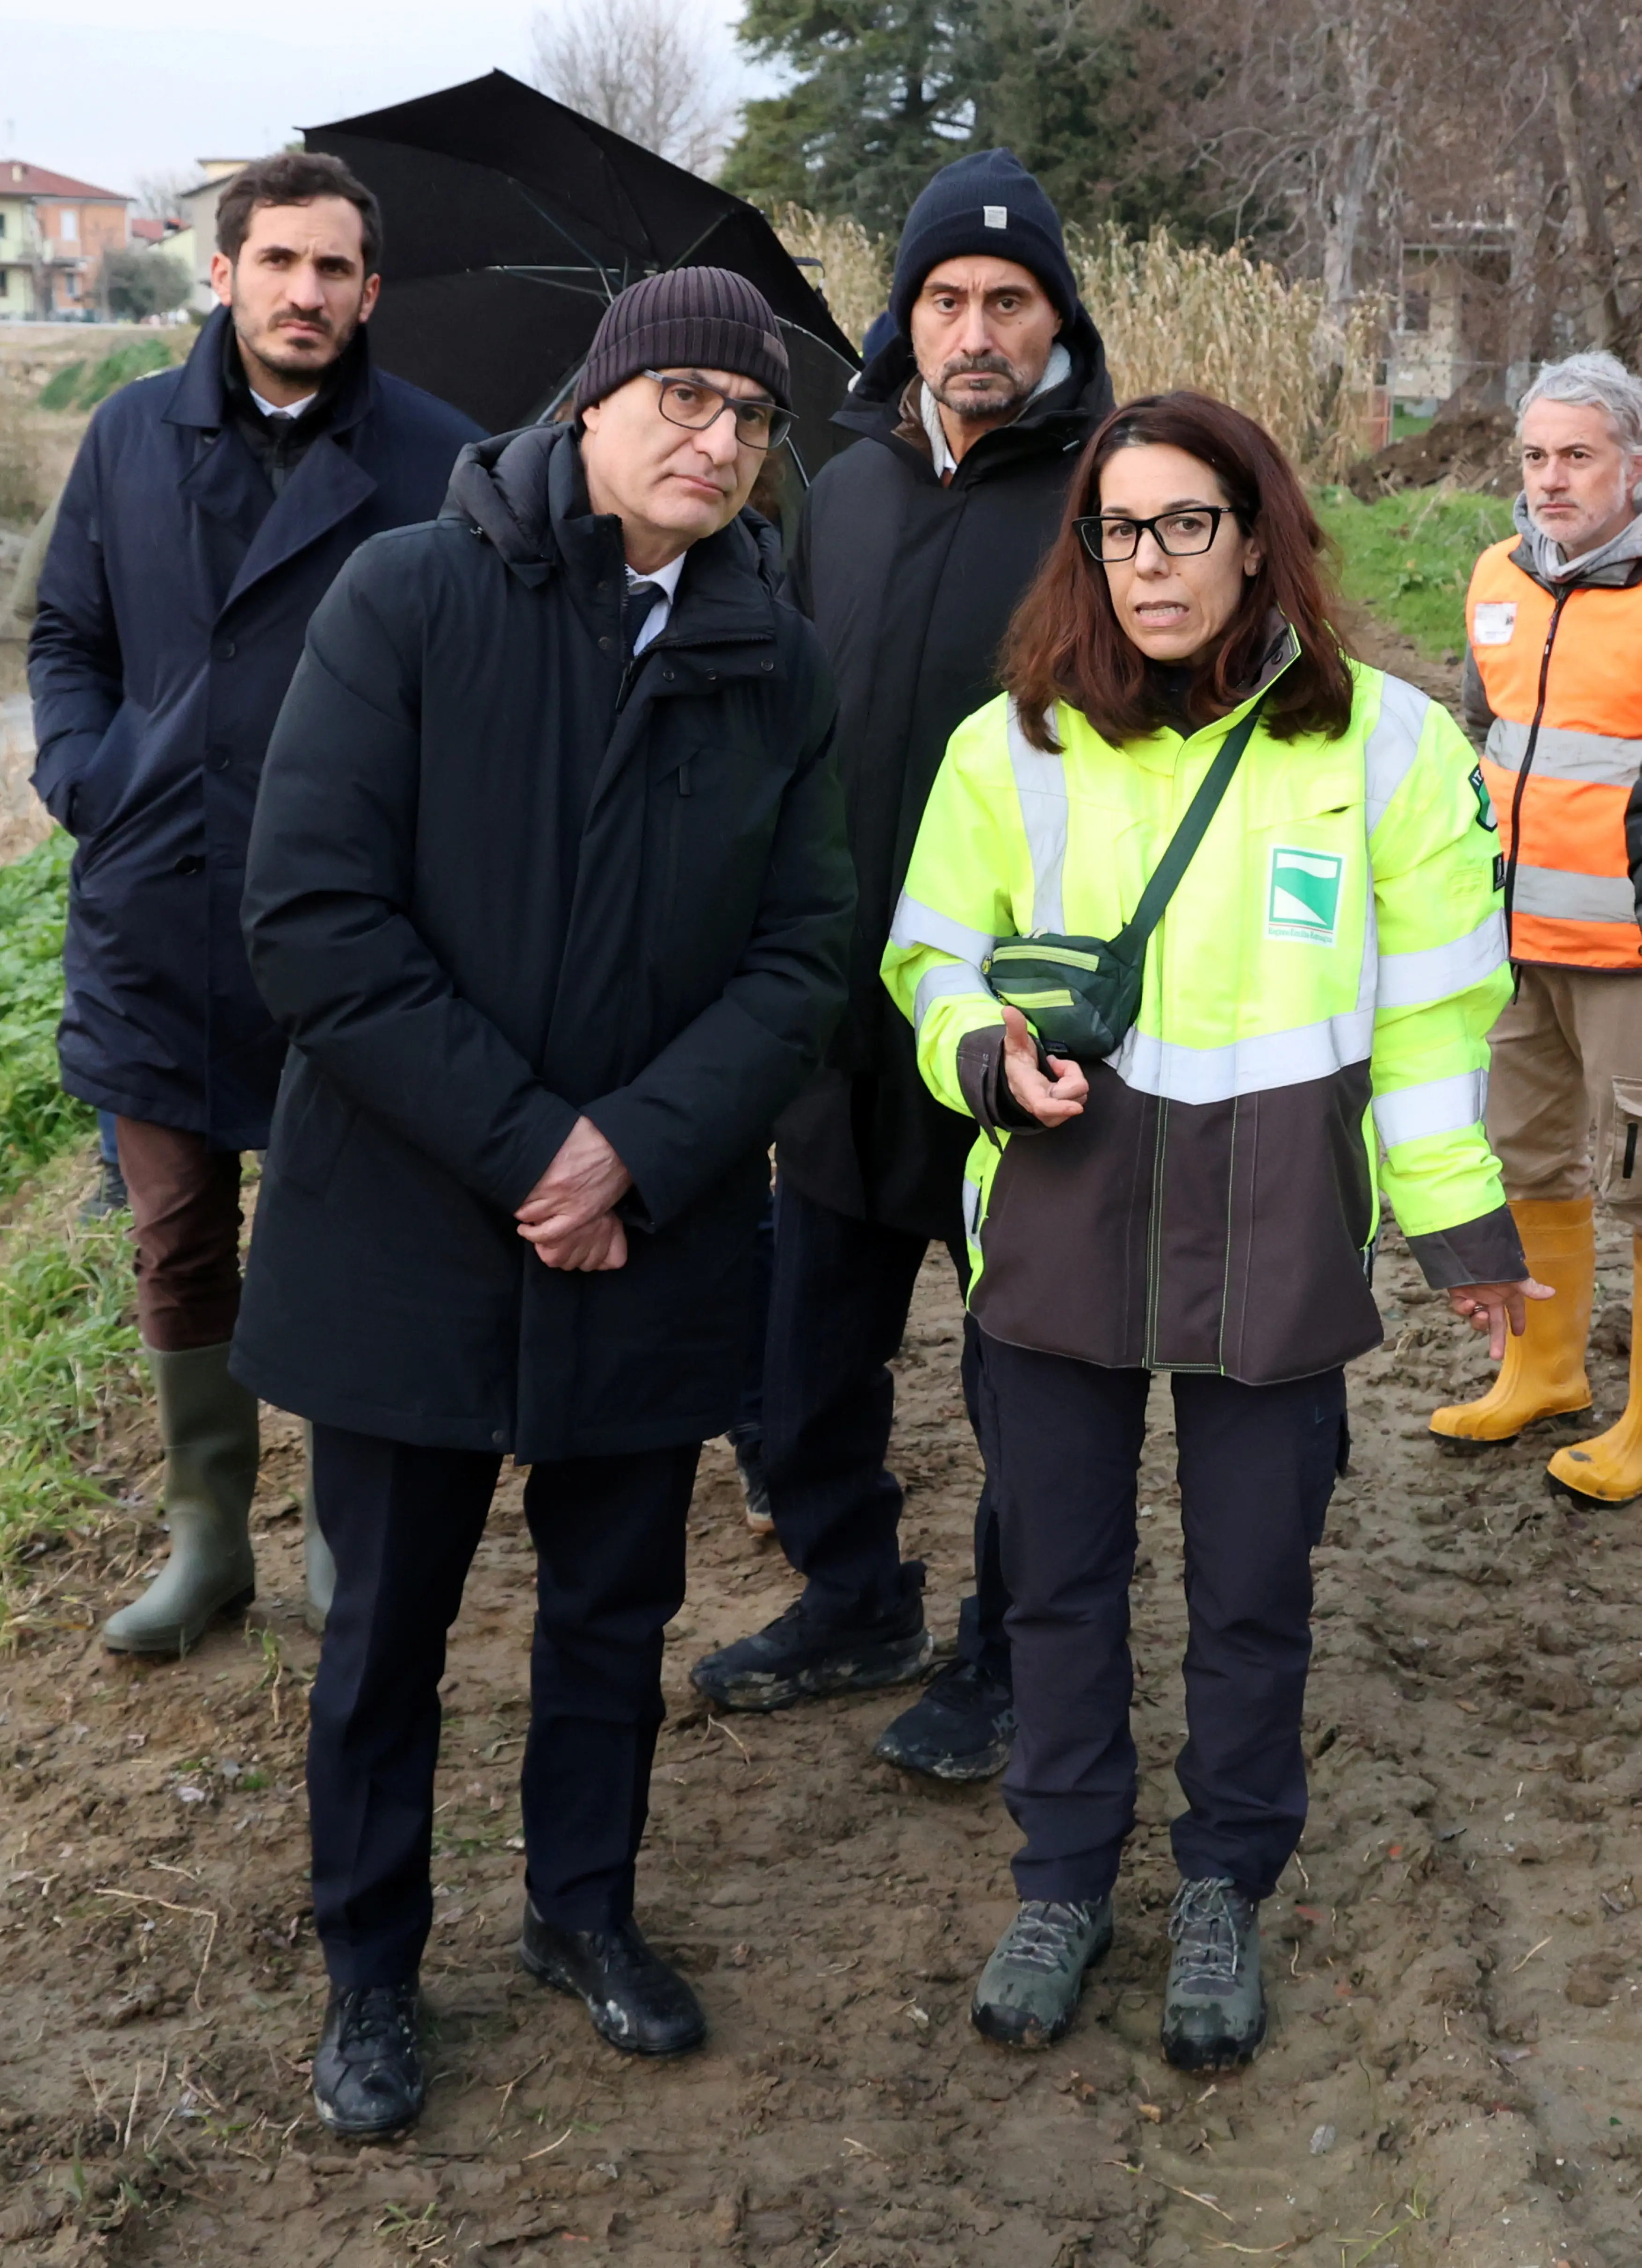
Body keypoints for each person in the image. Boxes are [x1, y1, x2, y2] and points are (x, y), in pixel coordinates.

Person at [231, 268, 853, 2135]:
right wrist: (534, 1152)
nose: (717, 439)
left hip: (647, 1237)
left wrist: (639, 1153)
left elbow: (805, 956)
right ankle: (369, 1971)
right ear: (590, 405)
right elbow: (315, 922)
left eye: (750, 421)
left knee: (613, 1604)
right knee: (386, 1630)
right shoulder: (410, 599)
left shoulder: (774, 660)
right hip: (417, 1219)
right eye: (681, 397)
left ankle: (582, 1912)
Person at [882, 391, 1537, 2068]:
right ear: (1084, 551)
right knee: (1059, 1579)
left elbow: (1437, 1021)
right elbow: (927, 958)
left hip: (1278, 1228)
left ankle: (1224, 1887)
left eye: (1187, 524)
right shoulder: (1007, 744)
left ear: (1257, 535)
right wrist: (981, 1053)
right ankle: (1061, 1880)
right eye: (1119, 530)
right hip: (1060, 1205)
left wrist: (1461, 1236)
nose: (1151, 562)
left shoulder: (1392, 747)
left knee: (1253, 1588)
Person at [692, 150, 1114, 1783]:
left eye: (1010, 300)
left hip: (1015, 1029)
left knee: (1028, 1382)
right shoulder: (846, 482)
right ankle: (853, 1593)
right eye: (946, 298)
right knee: (800, 1379)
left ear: (1057, 317)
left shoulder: (1107, 499)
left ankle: (1007, 1655)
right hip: (837, 1012)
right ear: (906, 316)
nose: (976, 328)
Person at [27, 152, 481, 1654]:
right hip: (149, 909)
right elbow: (68, 635)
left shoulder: (434, 459)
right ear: (220, 273)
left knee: (342, 1240)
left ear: (369, 291)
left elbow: (482, 686)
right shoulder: (127, 437)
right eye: (277, 261)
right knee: (175, 1236)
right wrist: (90, 776)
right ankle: (207, 1535)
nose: (306, 292)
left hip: (348, 932)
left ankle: (345, 1541)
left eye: (334, 268)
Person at [1430, 352, 1642, 1503]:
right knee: (1525, 1158)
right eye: (1535, 456)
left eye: (1577, 456)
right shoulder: (1493, 575)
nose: (1551, 480)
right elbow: (1485, 735)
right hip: (1515, 949)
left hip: (1631, 958)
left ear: (1631, 464)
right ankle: (1545, 1372)